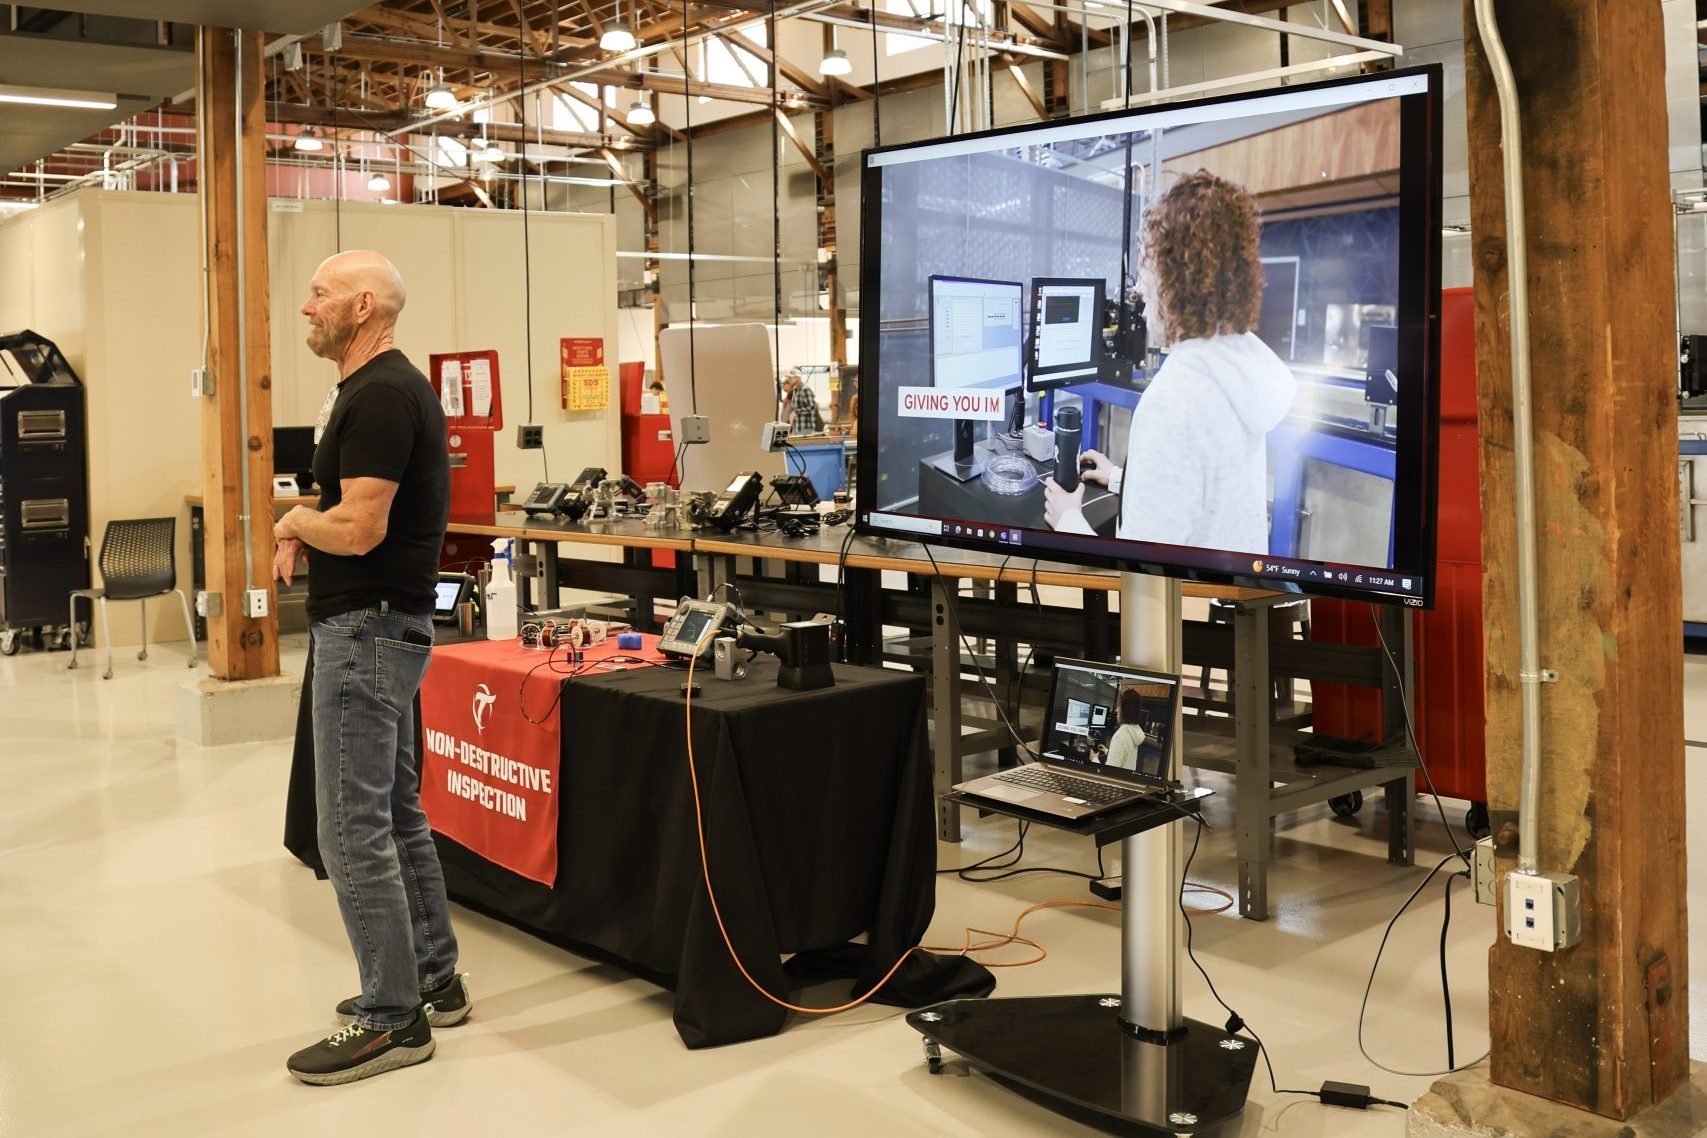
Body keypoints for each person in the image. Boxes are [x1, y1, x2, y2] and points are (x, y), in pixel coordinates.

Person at [273, 250, 470, 1086]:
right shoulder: (376, 389)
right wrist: (305, 520)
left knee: (349, 828)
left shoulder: (381, 394)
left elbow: (358, 529)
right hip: (386, 626)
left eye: (319, 294)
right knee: (392, 810)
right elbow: (354, 510)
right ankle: (434, 980)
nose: (306, 307)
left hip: (366, 628)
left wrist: (292, 519)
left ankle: (393, 1019)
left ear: (362, 307)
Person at [1044, 171, 1296, 555]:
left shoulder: (1175, 401)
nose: (1138, 286)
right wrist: (1123, 479)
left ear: (1178, 276)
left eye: (1147, 266)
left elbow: (1139, 571)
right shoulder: (1236, 368)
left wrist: (1068, 520)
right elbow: (1206, 501)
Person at [1103, 687, 1149, 772]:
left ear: (1126, 710)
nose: (1116, 710)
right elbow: (1125, 758)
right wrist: (1107, 751)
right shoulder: (1134, 730)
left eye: (1119, 706)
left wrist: (1094, 758)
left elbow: (1109, 773)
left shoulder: (1120, 736)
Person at [781, 368, 824, 435]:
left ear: (798, 378)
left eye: (791, 378)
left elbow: (812, 407)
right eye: (789, 378)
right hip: (798, 428)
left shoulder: (805, 389)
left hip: (806, 428)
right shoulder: (795, 390)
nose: (789, 380)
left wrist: (796, 412)